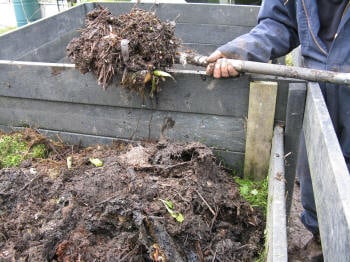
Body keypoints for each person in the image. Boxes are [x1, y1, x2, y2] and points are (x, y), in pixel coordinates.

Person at [206, 0, 350, 260]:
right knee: (316, 172)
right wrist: (242, 50)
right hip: (320, 87)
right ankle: (320, 239)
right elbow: (280, 22)